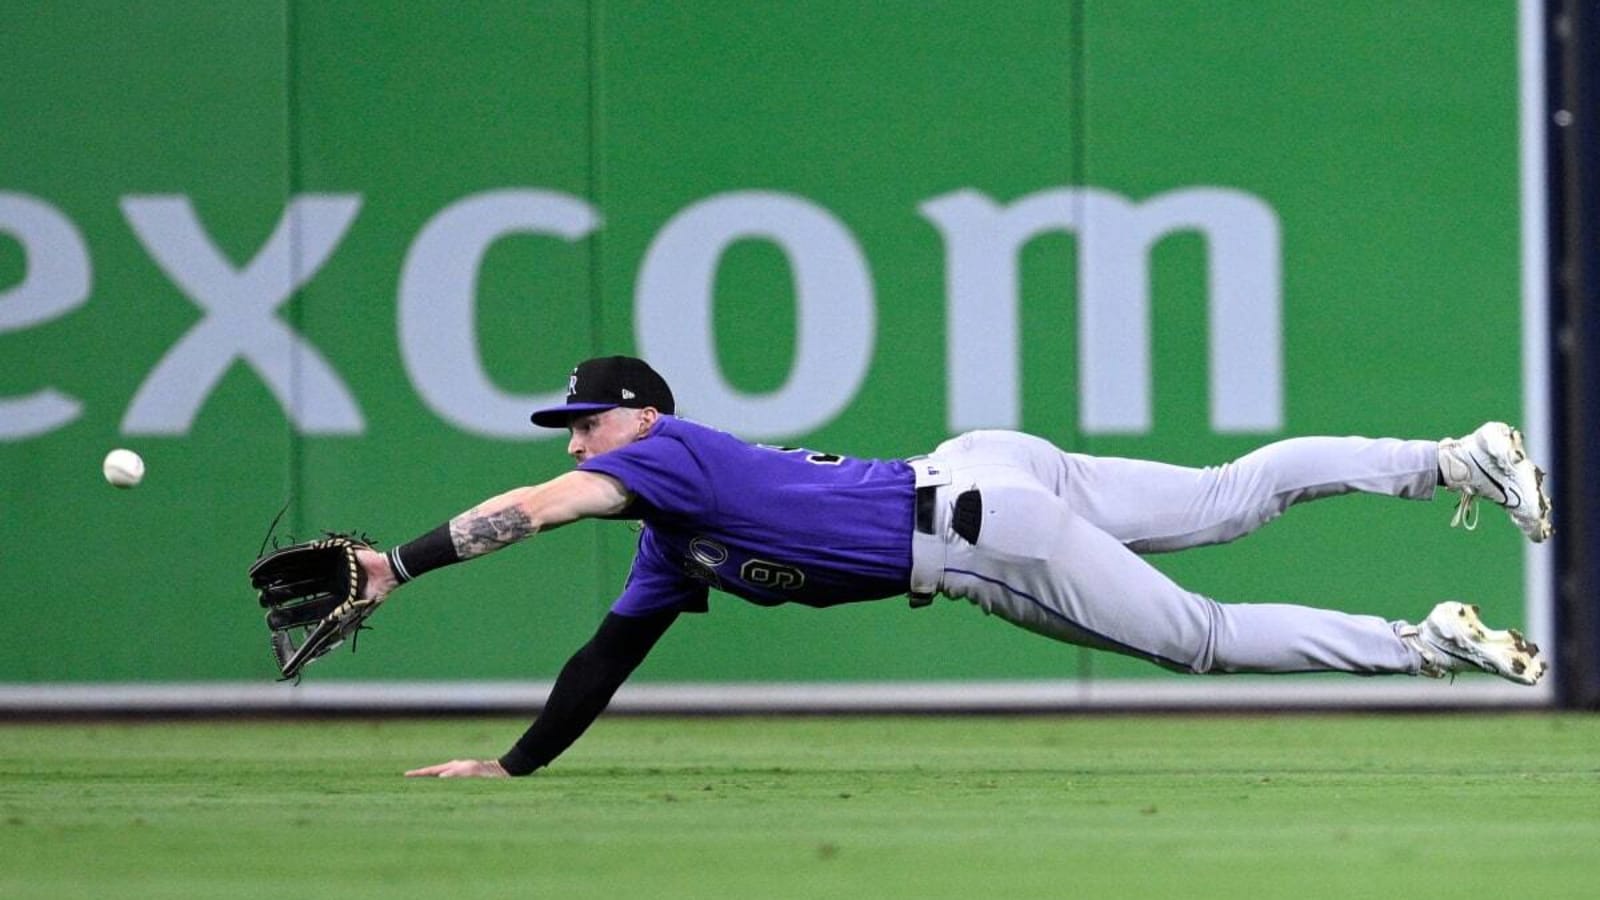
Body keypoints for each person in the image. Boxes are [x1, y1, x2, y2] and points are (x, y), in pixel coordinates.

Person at [375, 355, 1551, 779]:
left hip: (979, 530)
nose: (575, 436)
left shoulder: (670, 457)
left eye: (589, 419)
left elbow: (531, 509)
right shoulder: (670, 533)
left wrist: (399, 566)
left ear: (643, 417)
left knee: (1197, 634)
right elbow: (608, 652)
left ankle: (1419, 644)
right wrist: (517, 764)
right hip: (979, 470)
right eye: (571, 424)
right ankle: (1453, 460)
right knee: (1227, 496)